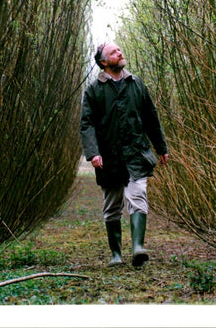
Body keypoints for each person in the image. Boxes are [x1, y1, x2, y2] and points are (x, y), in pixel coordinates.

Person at [80, 42, 169, 267]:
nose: (119, 53)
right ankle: (116, 255)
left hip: (136, 153)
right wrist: (93, 153)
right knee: (112, 205)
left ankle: (138, 247)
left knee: (138, 195)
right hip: (108, 157)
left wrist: (161, 147)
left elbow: (151, 117)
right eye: (113, 52)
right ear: (103, 62)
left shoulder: (136, 83)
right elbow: (87, 124)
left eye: (119, 50)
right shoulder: (94, 90)